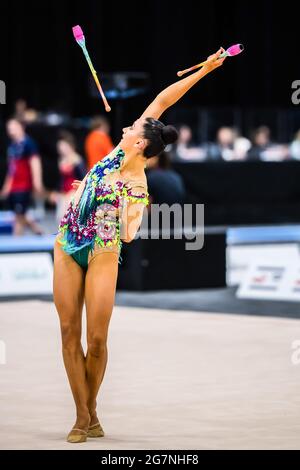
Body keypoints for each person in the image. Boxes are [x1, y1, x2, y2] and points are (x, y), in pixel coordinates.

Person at [53, 47, 227, 443]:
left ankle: (89, 413)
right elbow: (165, 99)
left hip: (102, 249)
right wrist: (206, 70)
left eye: (131, 129)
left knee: (96, 340)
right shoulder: (117, 151)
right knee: (67, 330)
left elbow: (128, 233)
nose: (125, 129)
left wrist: (109, 201)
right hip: (67, 241)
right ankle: (84, 417)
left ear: (139, 145)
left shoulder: (136, 185)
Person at [0, 118, 44, 235]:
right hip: (14, 186)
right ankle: (38, 231)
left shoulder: (28, 143)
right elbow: (11, 169)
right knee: (20, 214)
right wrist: (7, 186)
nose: (10, 131)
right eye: (8, 128)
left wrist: (37, 181)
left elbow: (35, 162)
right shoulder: (12, 146)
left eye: (13, 127)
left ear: (21, 127)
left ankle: (16, 242)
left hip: (23, 186)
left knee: (18, 217)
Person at [48, 131, 87, 223]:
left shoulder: (77, 160)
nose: (61, 149)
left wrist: (79, 193)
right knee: (60, 218)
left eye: (63, 146)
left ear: (70, 146)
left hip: (74, 192)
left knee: (68, 217)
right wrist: (56, 192)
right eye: (59, 147)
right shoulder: (61, 161)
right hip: (64, 193)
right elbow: (61, 180)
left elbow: (83, 178)